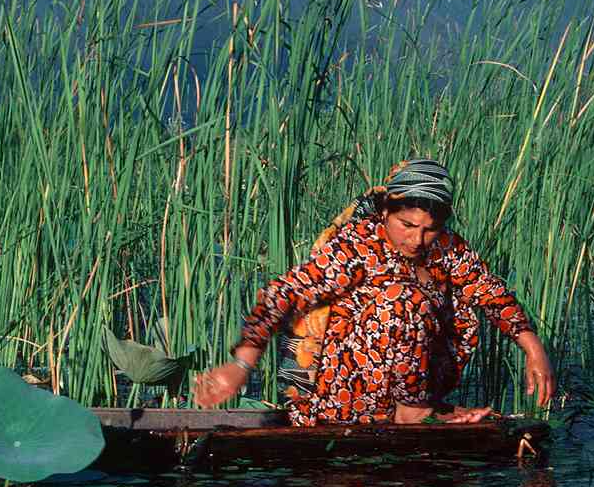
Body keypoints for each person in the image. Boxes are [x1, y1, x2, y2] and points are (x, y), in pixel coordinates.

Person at [195, 158, 555, 425]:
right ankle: (412, 412)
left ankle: (418, 406)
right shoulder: (359, 244)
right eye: (407, 225)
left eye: (429, 229)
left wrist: (533, 348)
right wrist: (242, 364)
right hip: (345, 395)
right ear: (386, 211)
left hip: (414, 388)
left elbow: (491, 294)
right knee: (401, 297)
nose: (417, 239)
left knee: (461, 297)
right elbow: (284, 294)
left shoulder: (446, 248)